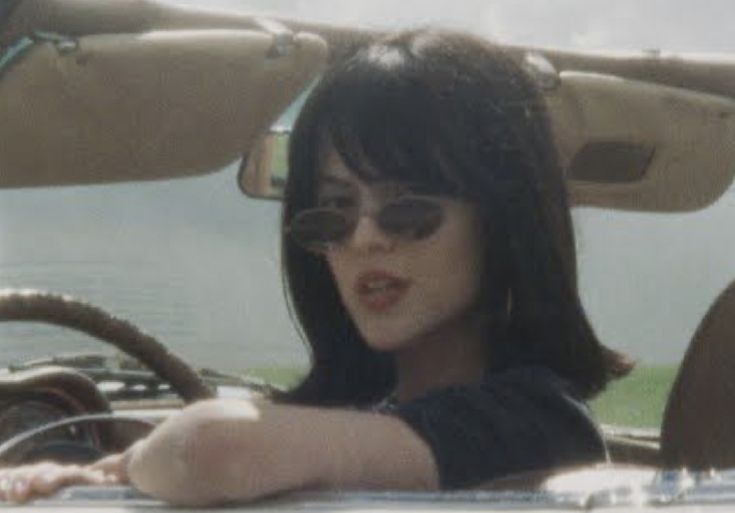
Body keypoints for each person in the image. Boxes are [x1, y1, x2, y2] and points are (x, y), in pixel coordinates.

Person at [0, 28, 632, 506]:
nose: (363, 238)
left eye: (408, 209)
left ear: (503, 221)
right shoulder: (376, 416)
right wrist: (91, 478)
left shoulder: (536, 424)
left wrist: (130, 459)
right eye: (333, 210)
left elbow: (209, 449)